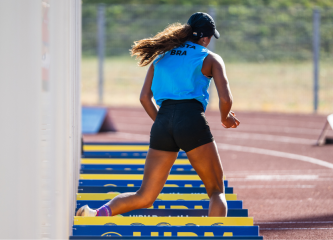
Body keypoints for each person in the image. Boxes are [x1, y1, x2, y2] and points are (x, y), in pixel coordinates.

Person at [76, 12, 240, 217]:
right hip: (191, 119)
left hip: (163, 122)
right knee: (216, 191)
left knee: (145, 195)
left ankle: (95, 213)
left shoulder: (161, 56)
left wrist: (165, 123)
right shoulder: (209, 58)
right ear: (205, 38)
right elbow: (226, 99)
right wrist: (225, 118)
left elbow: (145, 97)